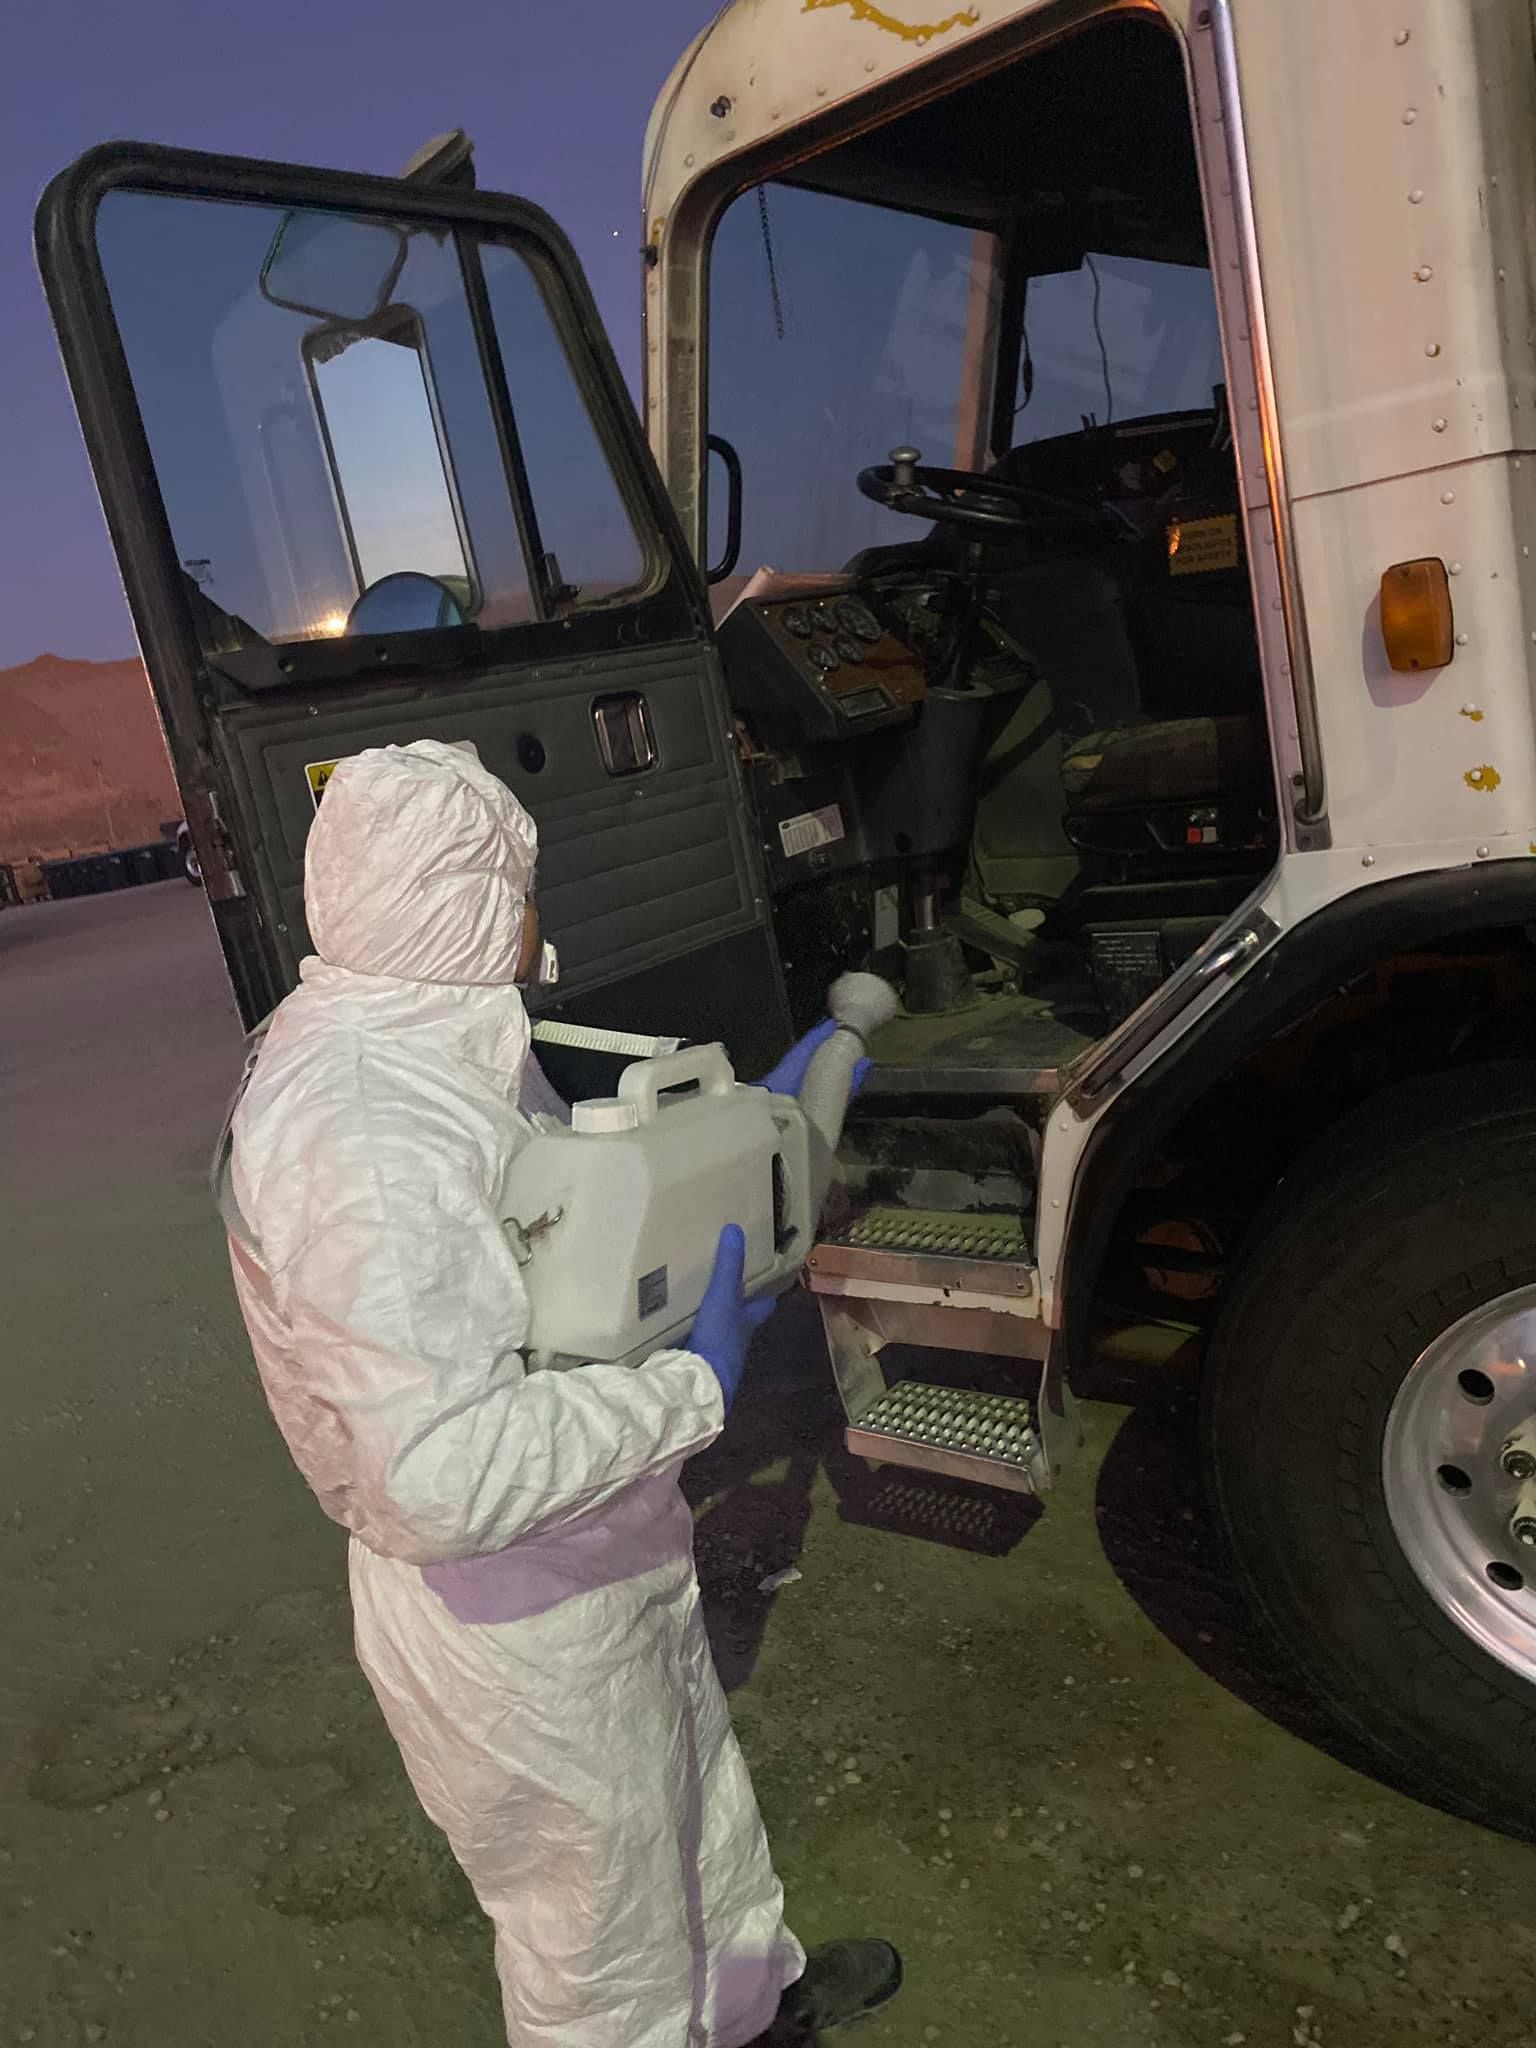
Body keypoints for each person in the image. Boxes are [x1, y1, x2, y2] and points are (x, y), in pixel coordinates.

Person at [217, 739, 902, 2048]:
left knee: (694, 1821)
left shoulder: (426, 1036)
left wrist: (723, 1149)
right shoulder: (364, 1128)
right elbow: (440, 1477)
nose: (544, 915)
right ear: (464, 897)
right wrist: (689, 1393)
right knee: (604, 1952)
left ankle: (756, 2014)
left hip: (594, 1545)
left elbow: (539, 1231)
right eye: (523, 881)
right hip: (511, 1618)